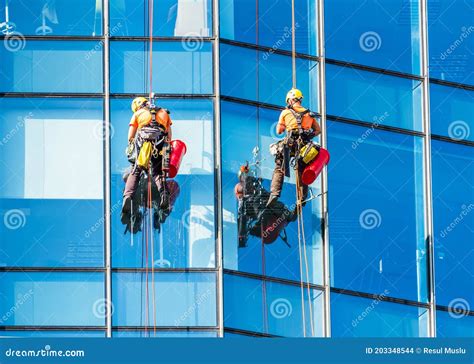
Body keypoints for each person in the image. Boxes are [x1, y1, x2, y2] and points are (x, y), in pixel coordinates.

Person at [121, 96, 173, 222]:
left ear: (137, 106)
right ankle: (164, 195)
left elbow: (131, 136)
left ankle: (128, 196)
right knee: (158, 172)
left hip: (144, 143)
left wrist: (133, 149)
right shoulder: (164, 112)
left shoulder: (138, 114)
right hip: (160, 143)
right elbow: (169, 136)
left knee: (136, 170)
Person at [267, 88, 321, 207]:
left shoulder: (286, 112)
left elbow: (279, 131)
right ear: (299, 100)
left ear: (291, 100)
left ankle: (274, 194)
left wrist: (288, 124)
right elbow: (318, 130)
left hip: (290, 143)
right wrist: (308, 133)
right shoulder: (309, 114)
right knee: (301, 168)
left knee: (280, 166)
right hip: (304, 145)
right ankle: (302, 198)